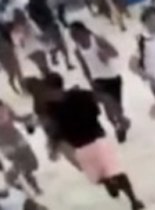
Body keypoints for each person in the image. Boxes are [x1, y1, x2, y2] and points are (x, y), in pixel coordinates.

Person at [45, 74, 145, 210]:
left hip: (88, 144)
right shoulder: (75, 96)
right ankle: (121, 190)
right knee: (107, 174)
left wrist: (52, 147)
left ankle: (128, 196)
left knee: (110, 173)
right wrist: (119, 116)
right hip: (91, 143)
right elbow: (104, 98)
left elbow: (54, 130)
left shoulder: (56, 106)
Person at [69, 21, 130, 143]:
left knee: (117, 109)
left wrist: (106, 54)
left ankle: (123, 122)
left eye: (75, 34)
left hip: (113, 78)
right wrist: (90, 82)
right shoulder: (77, 50)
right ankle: (118, 128)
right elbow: (84, 68)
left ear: (83, 31)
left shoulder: (97, 39)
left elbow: (115, 52)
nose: (74, 38)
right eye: (72, 36)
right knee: (109, 112)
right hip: (98, 82)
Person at [0, 100, 40, 194]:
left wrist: (27, 117)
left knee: (33, 163)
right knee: (21, 163)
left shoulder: (5, 107)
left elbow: (16, 118)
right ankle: (32, 187)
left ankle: (11, 178)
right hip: (6, 144)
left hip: (17, 138)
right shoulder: (5, 107)